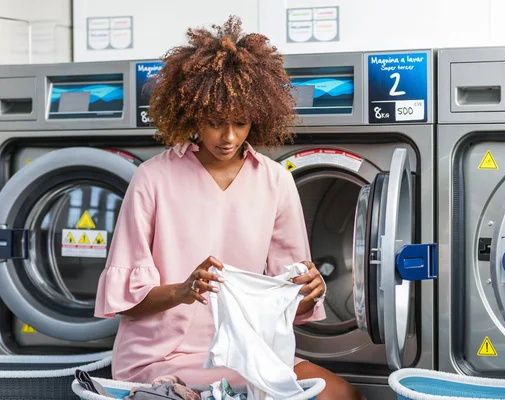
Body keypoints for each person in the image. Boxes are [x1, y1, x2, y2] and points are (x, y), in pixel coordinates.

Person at [94, 15, 363, 400]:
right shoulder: (152, 179)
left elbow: (289, 298)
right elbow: (126, 304)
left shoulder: (275, 180)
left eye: (241, 122)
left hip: (248, 353)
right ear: (192, 112)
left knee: (342, 395)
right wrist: (183, 291)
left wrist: (311, 290)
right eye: (216, 122)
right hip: (160, 357)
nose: (230, 136)